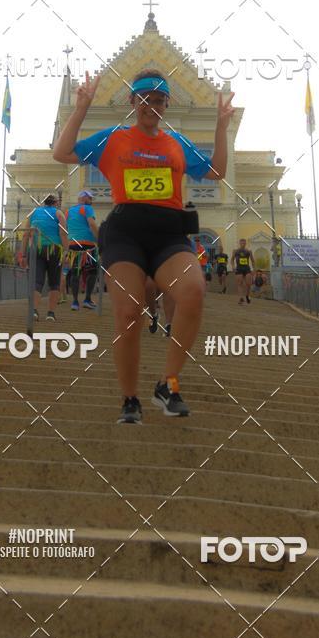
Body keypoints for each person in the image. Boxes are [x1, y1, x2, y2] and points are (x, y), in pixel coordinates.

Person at [53, 68, 234, 424]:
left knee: (194, 291)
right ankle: (130, 398)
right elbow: (62, 152)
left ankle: (168, 384)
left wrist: (221, 127)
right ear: (133, 102)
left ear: (167, 104)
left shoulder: (177, 143)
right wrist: (82, 107)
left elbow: (216, 171)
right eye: (144, 99)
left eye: (159, 99)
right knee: (129, 313)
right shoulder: (114, 138)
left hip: (169, 234)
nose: (152, 105)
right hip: (125, 233)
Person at [21, 194, 69, 322]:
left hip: (36, 249)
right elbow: (63, 234)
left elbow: (26, 234)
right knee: (54, 282)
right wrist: (67, 251)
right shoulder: (59, 214)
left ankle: (34, 311)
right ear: (55, 203)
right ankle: (50, 314)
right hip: (55, 250)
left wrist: (23, 254)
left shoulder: (33, 213)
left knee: (37, 281)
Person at [66, 190, 99, 310]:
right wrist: (99, 239)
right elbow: (92, 224)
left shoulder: (68, 211)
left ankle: (75, 302)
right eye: (90, 198)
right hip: (88, 244)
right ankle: (87, 299)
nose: (91, 201)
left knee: (75, 273)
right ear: (84, 198)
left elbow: (66, 227)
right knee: (93, 271)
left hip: (73, 244)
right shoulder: (87, 208)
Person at [231, 238, 254, 304]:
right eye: (241, 243)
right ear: (239, 243)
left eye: (244, 243)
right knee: (239, 284)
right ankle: (241, 298)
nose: (243, 244)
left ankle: (247, 295)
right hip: (239, 268)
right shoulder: (235, 251)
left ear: (245, 244)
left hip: (247, 268)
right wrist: (233, 266)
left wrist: (254, 269)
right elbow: (232, 260)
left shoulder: (249, 251)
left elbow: (252, 260)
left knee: (248, 284)